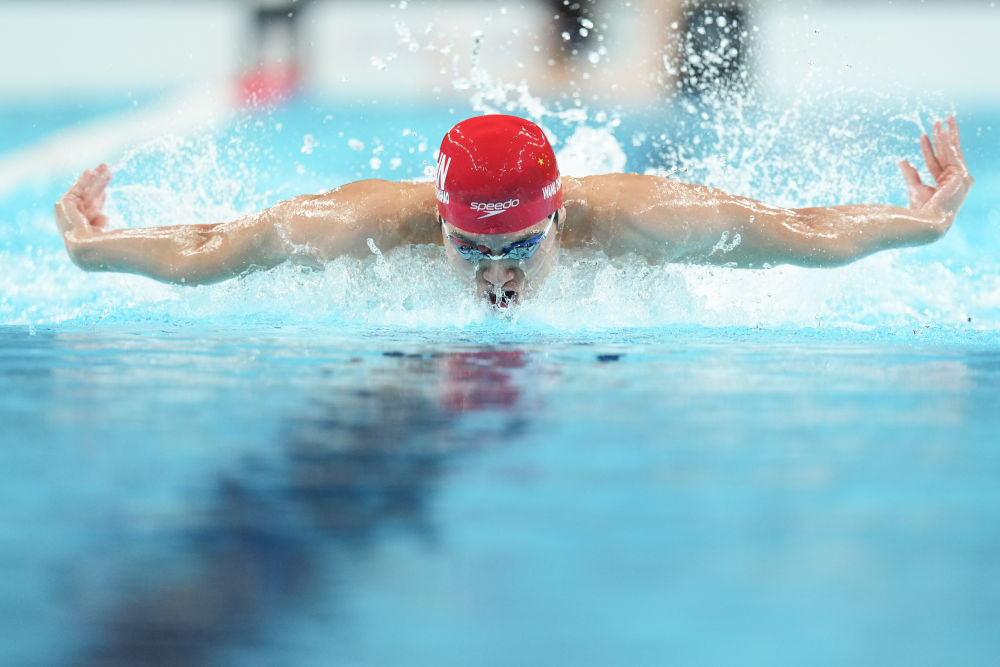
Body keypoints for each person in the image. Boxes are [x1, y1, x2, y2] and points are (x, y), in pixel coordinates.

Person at [54, 114, 973, 309]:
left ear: (562, 218)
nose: (497, 274)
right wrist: (102, 251)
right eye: (472, 249)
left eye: (521, 246)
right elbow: (220, 244)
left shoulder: (649, 217)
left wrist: (920, 223)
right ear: (441, 224)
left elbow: (794, 232)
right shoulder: (360, 224)